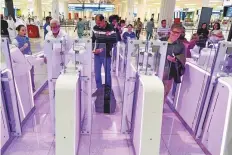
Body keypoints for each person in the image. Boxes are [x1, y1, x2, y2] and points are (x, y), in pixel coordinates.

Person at [161, 24, 186, 104]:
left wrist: (175, 59)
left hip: (170, 71)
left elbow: (182, 58)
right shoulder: (161, 41)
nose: (176, 34)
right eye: (174, 32)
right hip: (158, 69)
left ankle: (161, 107)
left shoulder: (181, 46)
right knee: (157, 89)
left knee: (165, 92)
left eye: (178, 33)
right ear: (170, 31)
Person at [92, 14, 117, 92]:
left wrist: (103, 49)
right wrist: (93, 49)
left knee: (107, 73)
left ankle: (108, 89)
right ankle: (99, 88)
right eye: (96, 23)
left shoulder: (111, 28)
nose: (98, 25)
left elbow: (114, 41)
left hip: (106, 54)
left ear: (103, 20)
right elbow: (93, 39)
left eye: (99, 23)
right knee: (97, 73)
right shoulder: (95, 28)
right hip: (97, 54)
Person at [12, 25, 35, 92]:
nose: (24, 32)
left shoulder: (26, 38)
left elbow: (29, 48)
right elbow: (14, 53)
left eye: (25, 30)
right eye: (22, 30)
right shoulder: (15, 41)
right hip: (21, 61)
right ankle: (25, 90)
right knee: (24, 75)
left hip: (29, 59)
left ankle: (32, 88)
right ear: (18, 31)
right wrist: (23, 48)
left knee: (31, 73)